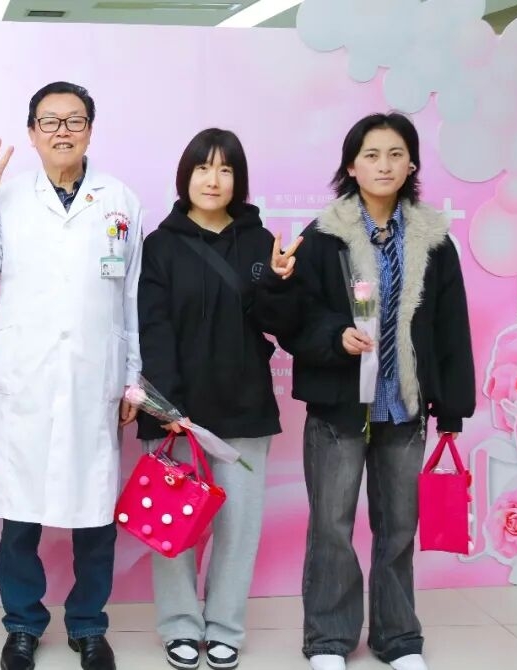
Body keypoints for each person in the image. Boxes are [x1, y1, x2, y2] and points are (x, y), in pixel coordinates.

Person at [0, 81, 142, 670]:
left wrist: (132, 375)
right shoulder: (7, 197)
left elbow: (131, 297)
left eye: (74, 120)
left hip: (93, 376)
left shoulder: (120, 200)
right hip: (26, 379)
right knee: (20, 515)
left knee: (95, 515)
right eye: (50, 121)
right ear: (32, 133)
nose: (63, 131)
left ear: (90, 129)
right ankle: (22, 625)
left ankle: (88, 626)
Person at [278, 113, 475, 670]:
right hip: (339, 409)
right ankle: (329, 640)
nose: (384, 165)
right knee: (331, 528)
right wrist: (334, 337)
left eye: (395, 154)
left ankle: (398, 639)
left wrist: (451, 409)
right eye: (371, 154)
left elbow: (451, 328)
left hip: (404, 408)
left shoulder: (434, 240)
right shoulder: (323, 236)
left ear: (411, 164)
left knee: (399, 529)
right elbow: (297, 318)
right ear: (351, 165)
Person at [137, 128, 301, 670]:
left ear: (238, 180)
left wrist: (279, 283)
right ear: (185, 176)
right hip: (177, 414)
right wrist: (168, 409)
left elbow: (280, 328)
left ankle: (225, 627)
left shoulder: (259, 243)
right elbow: (153, 328)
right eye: (203, 167)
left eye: (225, 169)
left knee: (238, 527)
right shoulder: (160, 245)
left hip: (244, 406)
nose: (213, 179)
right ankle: (180, 625)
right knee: (172, 525)